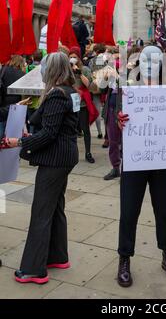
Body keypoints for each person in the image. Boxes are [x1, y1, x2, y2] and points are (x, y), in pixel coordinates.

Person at [6, 52, 80, 284]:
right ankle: (58, 256)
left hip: (55, 159)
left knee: (41, 211)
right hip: (65, 156)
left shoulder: (57, 94)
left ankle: (34, 269)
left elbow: (50, 134)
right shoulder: (71, 91)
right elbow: (57, 127)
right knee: (55, 207)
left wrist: (20, 142)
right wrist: (32, 133)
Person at [116, 45, 166, 287]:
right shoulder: (127, 89)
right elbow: (114, 121)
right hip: (135, 160)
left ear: (162, 64)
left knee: (164, 211)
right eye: (144, 59)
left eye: (154, 60)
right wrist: (119, 121)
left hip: (161, 159)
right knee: (128, 211)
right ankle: (124, 259)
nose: (148, 64)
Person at [69, 46, 95, 164]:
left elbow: (88, 84)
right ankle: (71, 153)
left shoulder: (84, 69)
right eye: (71, 57)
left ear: (79, 58)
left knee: (85, 129)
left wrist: (78, 73)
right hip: (71, 102)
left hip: (83, 103)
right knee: (71, 129)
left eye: (75, 57)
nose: (72, 59)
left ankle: (88, 152)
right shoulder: (66, 69)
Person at [0, 55, 26, 139]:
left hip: (4, 101)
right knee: (12, 127)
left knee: (3, 123)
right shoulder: (22, 74)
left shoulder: (4, 70)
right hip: (17, 103)